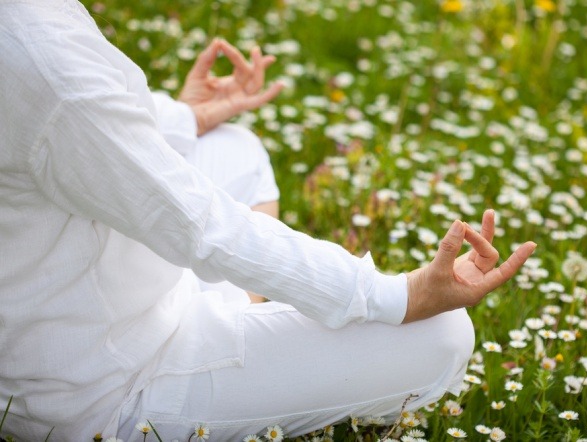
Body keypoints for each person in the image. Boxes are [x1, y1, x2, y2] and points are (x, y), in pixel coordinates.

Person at [0, 1, 536, 441]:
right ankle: (240, 308)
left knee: (233, 146)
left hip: (88, 298)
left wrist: (182, 117)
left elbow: (70, 122)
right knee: (441, 335)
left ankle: (242, 302)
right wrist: (394, 296)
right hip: (103, 386)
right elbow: (201, 225)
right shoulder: (40, 61)